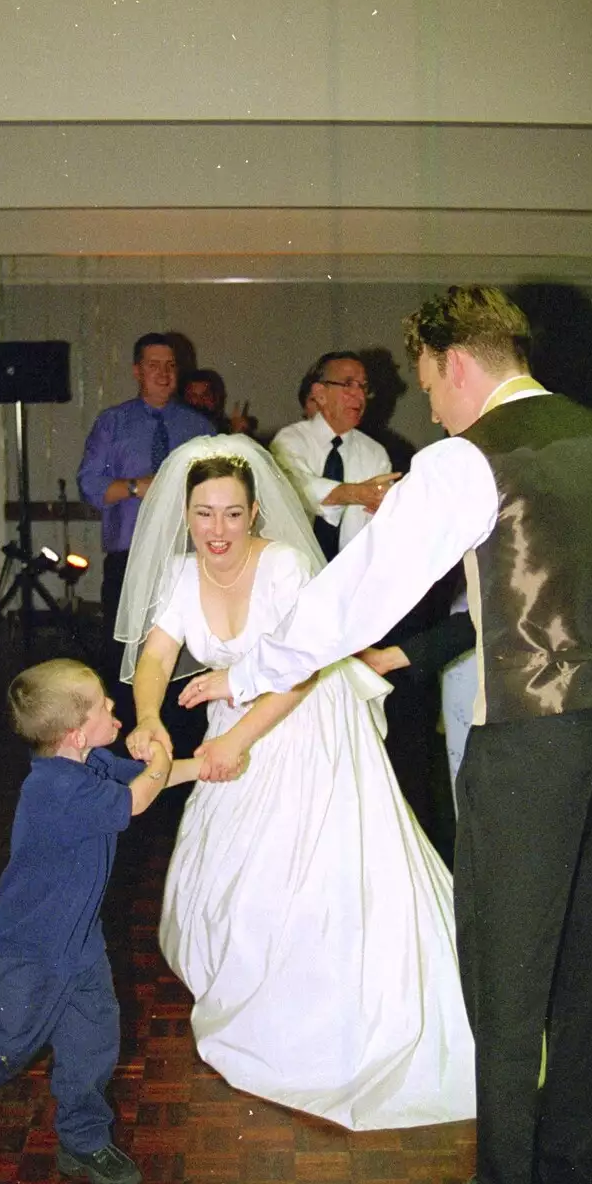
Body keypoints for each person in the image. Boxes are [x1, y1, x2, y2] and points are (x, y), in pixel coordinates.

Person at [181, 288, 592, 1184]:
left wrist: (251, 668)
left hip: (531, 739)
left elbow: (356, 601)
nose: (430, 409)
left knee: (504, 970)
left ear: (453, 361)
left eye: (424, 384)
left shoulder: (465, 459)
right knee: (588, 970)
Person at [117, 435, 475, 1131]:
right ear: (185, 516)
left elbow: (302, 670)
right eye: (203, 514)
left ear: (255, 515)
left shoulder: (281, 566)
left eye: (230, 514)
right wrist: (149, 718)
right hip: (233, 727)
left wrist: (233, 742)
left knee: (302, 874)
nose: (216, 530)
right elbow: (157, 654)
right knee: (229, 875)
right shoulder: (179, 574)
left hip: (305, 724)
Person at [0, 659, 198, 1184]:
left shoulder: (90, 764)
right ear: (76, 731)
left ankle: (84, 1139)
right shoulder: (53, 791)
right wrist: (161, 748)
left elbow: (144, 781)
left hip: (79, 943)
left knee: (93, 1039)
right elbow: (141, 795)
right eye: (104, 704)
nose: (114, 707)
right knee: (12, 1043)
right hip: (29, 950)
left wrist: (201, 766)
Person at [77, 334, 216, 682]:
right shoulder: (113, 423)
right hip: (130, 558)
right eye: (154, 365)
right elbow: (89, 485)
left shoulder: (199, 427)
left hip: (187, 556)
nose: (164, 373)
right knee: (124, 654)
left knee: (187, 650)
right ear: (137, 371)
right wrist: (137, 486)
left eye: (171, 365)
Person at [269, 351, 399, 559]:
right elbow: (297, 487)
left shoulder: (375, 453)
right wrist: (356, 493)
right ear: (320, 394)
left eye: (363, 386)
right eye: (348, 384)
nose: (359, 396)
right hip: (294, 572)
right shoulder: (291, 440)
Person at [181, 367, 251, 435]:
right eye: (193, 396)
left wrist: (236, 436)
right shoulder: (175, 429)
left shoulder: (227, 432)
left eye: (205, 395)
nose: (199, 401)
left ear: (218, 399)